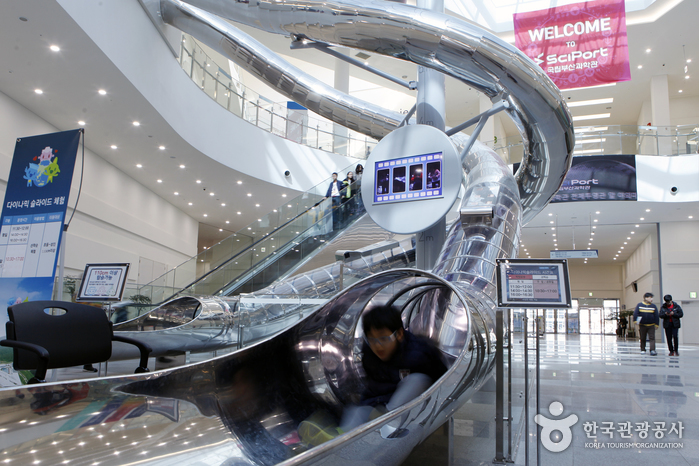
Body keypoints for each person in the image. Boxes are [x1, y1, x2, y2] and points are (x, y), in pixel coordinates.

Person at [340, 305, 447, 433]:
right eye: (372, 340)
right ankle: (339, 439)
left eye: (384, 338)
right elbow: (373, 388)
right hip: (381, 407)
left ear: (400, 334)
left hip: (411, 410)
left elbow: (442, 382)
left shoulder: (419, 354)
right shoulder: (369, 355)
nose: (378, 346)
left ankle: (384, 421)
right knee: (356, 412)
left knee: (417, 380)